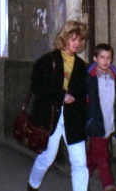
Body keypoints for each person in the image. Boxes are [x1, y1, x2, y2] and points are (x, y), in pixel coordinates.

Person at [27, 20, 89, 191]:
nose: (77, 43)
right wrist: (62, 96)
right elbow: (37, 86)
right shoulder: (48, 60)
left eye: (79, 40)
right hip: (51, 117)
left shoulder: (81, 65)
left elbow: (83, 95)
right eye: (73, 39)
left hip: (73, 120)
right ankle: (32, 186)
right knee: (47, 158)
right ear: (64, 38)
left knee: (80, 163)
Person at [85, 43, 116, 191]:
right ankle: (108, 183)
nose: (105, 61)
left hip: (110, 120)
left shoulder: (115, 77)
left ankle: (83, 176)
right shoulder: (89, 77)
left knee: (94, 153)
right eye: (102, 57)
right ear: (95, 58)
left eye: (108, 58)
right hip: (95, 120)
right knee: (102, 153)